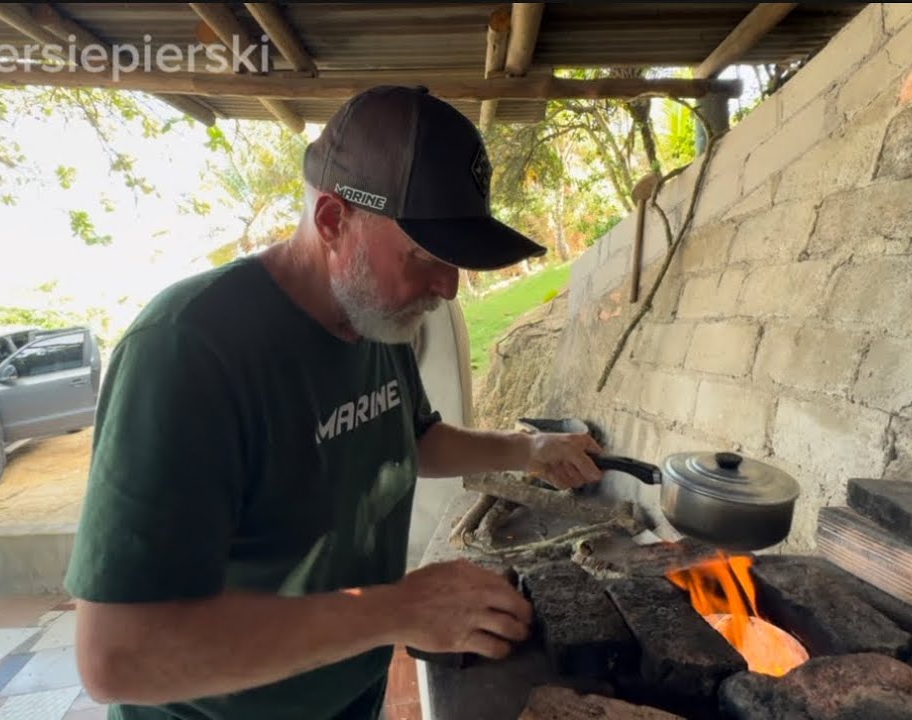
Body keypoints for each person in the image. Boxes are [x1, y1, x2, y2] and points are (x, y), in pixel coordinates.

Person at [65, 85, 606, 720]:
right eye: (425, 257)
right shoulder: (188, 348)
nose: (448, 288)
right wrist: (398, 609)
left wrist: (528, 449)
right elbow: (118, 656)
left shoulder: (377, 316)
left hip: (350, 695)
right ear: (332, 220)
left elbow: (409, 438)